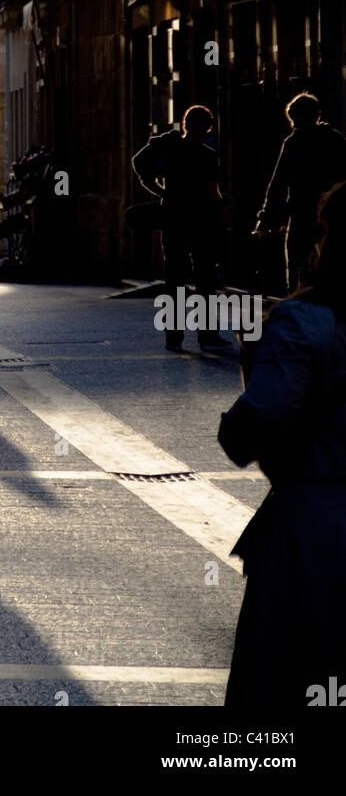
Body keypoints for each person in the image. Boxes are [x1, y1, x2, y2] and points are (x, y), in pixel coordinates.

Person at [218, 180, 346, 708]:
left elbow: (258, 420)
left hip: (316, 526)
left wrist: (251, 370)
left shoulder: (307, 321)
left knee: (279, 679)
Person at [132, 105, 229, 351]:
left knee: (174, 279)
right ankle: (207, 336)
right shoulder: (207, 155)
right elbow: (213, 192)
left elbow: (139, 165)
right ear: (208, 128)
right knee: (205, 279)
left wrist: (161, 192)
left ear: (185, 124)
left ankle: (173, 338)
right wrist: (222, 213)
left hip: (173, 219)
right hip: (202, 222)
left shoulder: (171, 149)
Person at [255, 92, 346, 291]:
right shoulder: (336, 140)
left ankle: (297, 299)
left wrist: (267, 217)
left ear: (295, 118)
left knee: (296, 267)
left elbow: (278, 183)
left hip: (301, 213)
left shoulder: (294, 142)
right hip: (332, 214)